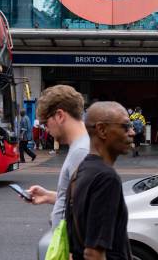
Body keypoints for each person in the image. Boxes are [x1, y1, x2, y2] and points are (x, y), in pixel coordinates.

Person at [66, 101, 134, 260]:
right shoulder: (106, 178)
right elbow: (94, 254)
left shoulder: (80, 171)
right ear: (102, 130)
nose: (132, 132)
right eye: (125, 126)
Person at [27, 85, 90, 231]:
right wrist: (48, 196)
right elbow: (78, 200)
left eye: (45, 123)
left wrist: (73, 254)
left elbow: (89, 211)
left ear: (60, 116)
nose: (46, 130)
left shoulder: (81, 152)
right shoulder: (79, 147)